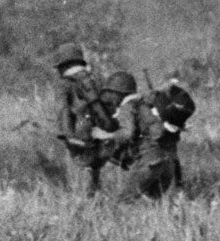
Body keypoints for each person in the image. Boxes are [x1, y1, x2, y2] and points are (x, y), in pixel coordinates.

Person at [53, 46, 112, 195]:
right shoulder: (93, 79)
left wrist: (68, 135)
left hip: (79, 131)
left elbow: (63, 110)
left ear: (63, 65)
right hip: (98, 130)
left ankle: (85, 203)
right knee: (94, 169)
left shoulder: (64, 84)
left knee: (80, 171)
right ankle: (96, 198)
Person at [125, 80, 195, 200]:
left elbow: (129, 134)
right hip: (165, 161)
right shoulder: (161, 117)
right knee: (155, 197)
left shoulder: (144, 109)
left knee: (126, 198)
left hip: (151, 158)